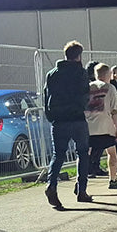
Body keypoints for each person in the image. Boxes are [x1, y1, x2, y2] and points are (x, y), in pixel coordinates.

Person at [43, 40, 91, 208]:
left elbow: (46, 96)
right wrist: (81, 108)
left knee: (58, 155)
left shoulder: (52, 74)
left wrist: (52, 116)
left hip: (59, 120)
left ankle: (51, 185)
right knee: (83, 153)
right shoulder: (81, 73)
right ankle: (82, 190)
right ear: (79, 56)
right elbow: (85, 95)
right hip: (77, 119)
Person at [85, 63, 117, 190]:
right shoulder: (111, 88)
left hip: (88, 128)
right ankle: (112, 180)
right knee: (112, 154)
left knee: (85, 155)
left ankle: (80, 182)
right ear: (107, 75)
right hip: (106, 128)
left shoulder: (87, 87)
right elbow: (115, 111)